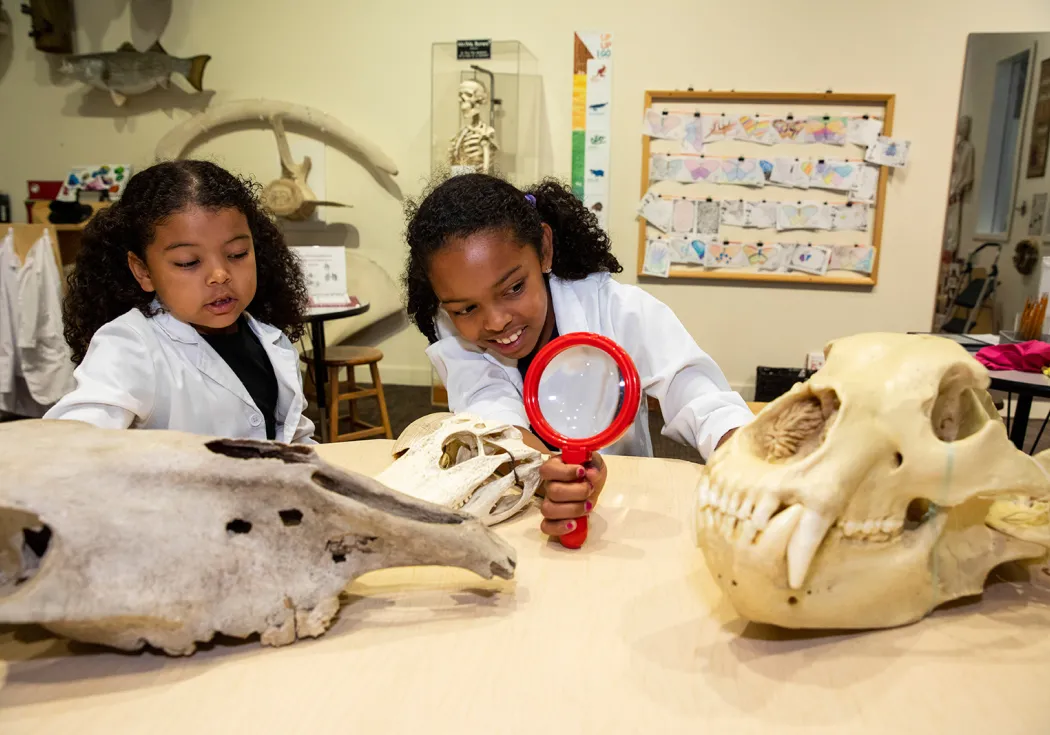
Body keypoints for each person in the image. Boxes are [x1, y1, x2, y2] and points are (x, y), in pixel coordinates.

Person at [403, 173, 753, 540]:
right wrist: (550, 474)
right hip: (520, 517)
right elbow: (493, 416)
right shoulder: (456, 338)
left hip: (629, 511)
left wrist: (751, 457)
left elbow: (698, 395)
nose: (496, 321)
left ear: (544, 249)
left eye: (514, 288)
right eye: (465, 309)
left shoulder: (616, 308)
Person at [45, 159, 316, 443]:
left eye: (237, 254)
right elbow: (72, 439)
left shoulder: (268, 340)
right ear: (143, 271)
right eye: (188, 262)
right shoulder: (129, 345)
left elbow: (293, 435)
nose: (220, 275)